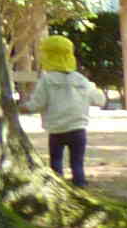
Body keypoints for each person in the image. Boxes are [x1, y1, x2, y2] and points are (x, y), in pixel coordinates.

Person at [23, 35, 106, 187]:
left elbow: (38, 103)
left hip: (57, 130)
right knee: (77, 163)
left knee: (56, 162)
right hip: (78, 129)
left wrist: (24, 108)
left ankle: (58, 185)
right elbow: (99, 99)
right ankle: (80, 184)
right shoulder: (81, 79)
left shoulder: (47, 80)